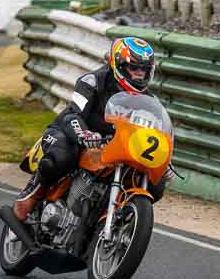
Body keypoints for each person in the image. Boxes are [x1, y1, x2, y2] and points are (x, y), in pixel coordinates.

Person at [14, 37, 170, 221]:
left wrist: (165, 160)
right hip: (71, 133)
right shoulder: (92, 82)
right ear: (118, 65)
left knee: (156, 183)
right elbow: (74, 114)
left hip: (110, 147)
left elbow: (153, 132)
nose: (138, 75)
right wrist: (84, 134)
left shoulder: (149, 101)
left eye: (143, 71)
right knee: (62, 156)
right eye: (133, 68)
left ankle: (111, 219)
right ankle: (33, 193)